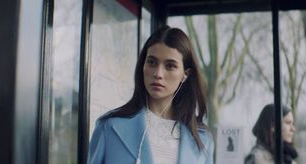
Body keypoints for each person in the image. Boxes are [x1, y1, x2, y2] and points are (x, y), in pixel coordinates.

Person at [88, 26, 214, 164]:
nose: (158, 74)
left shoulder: (203, 141)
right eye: (152, 62)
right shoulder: (109, 128)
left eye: (170, 66)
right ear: (143, 66)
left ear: (185, 74)